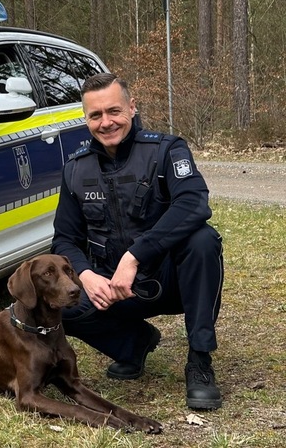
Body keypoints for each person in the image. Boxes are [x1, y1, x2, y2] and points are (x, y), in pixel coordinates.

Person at [52, 72, 223, 410]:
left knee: (203, 241)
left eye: (114, 111)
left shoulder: (167, 150)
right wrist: (86, 275)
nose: (106, 122)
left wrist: (134, 257)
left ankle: (200, 361)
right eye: (95, 115)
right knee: (55, 302)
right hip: (113, 288)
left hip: (171, 280)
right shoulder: (75, 169)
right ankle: (134, 344)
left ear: (132, 107)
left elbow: (193, 203)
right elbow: (64, 239)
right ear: (85, 119)